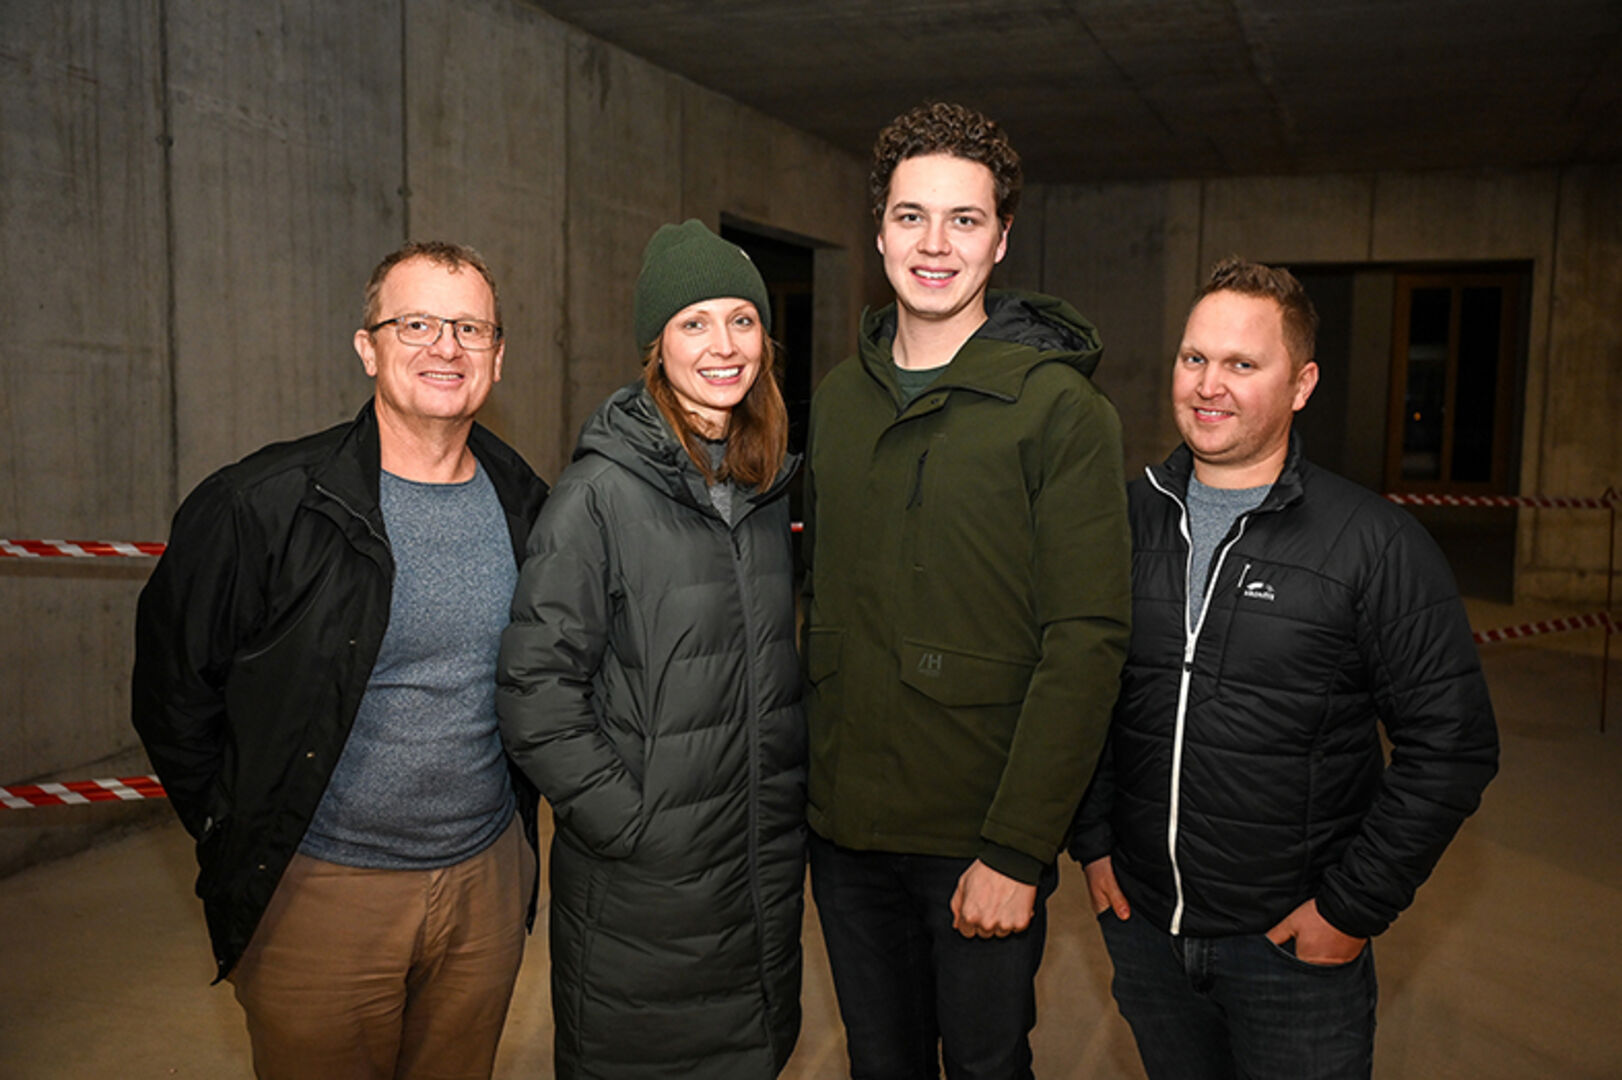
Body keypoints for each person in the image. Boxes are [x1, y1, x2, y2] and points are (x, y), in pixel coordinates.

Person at [1070, 257, 1500, 1079]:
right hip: (1145, 931)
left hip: (1291, 954)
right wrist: (1091, 843)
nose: (1208, 385)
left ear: (1301, 385)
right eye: (1194, 358)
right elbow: (1083, 694)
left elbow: (1452, 746)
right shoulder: (1119, 521)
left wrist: (1349, 909)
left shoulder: (1373, 544)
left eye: (1241, 364)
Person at [131, 241, 549, 1080]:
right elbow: (174, 695)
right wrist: (236, 827)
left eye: (470, 328)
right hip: (320, 893)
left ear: (498, 357)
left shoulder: (527, 501)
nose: (446, 347)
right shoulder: (263, 504)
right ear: (368, 346)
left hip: (485, 883)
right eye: (418, 323)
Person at [801, 102, 1132, 1079]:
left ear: (1000, 240)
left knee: (986, 1066)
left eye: (963, 219)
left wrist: (1017, 849)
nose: (932, 244)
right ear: (877, 232)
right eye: (910, 217)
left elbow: (1086, 641)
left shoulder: (1058, 410)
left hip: (975, 839)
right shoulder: (837, 401)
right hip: (844, 836)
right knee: (879, 1063)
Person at [497, 219, 805, 1080]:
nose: (723, 345)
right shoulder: (598, 494)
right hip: (644, 893)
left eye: (742, 320)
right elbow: (535, 689)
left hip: (755, 872)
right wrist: (627, 823)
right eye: (694, 322)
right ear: (655, 345)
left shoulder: (760, 484)